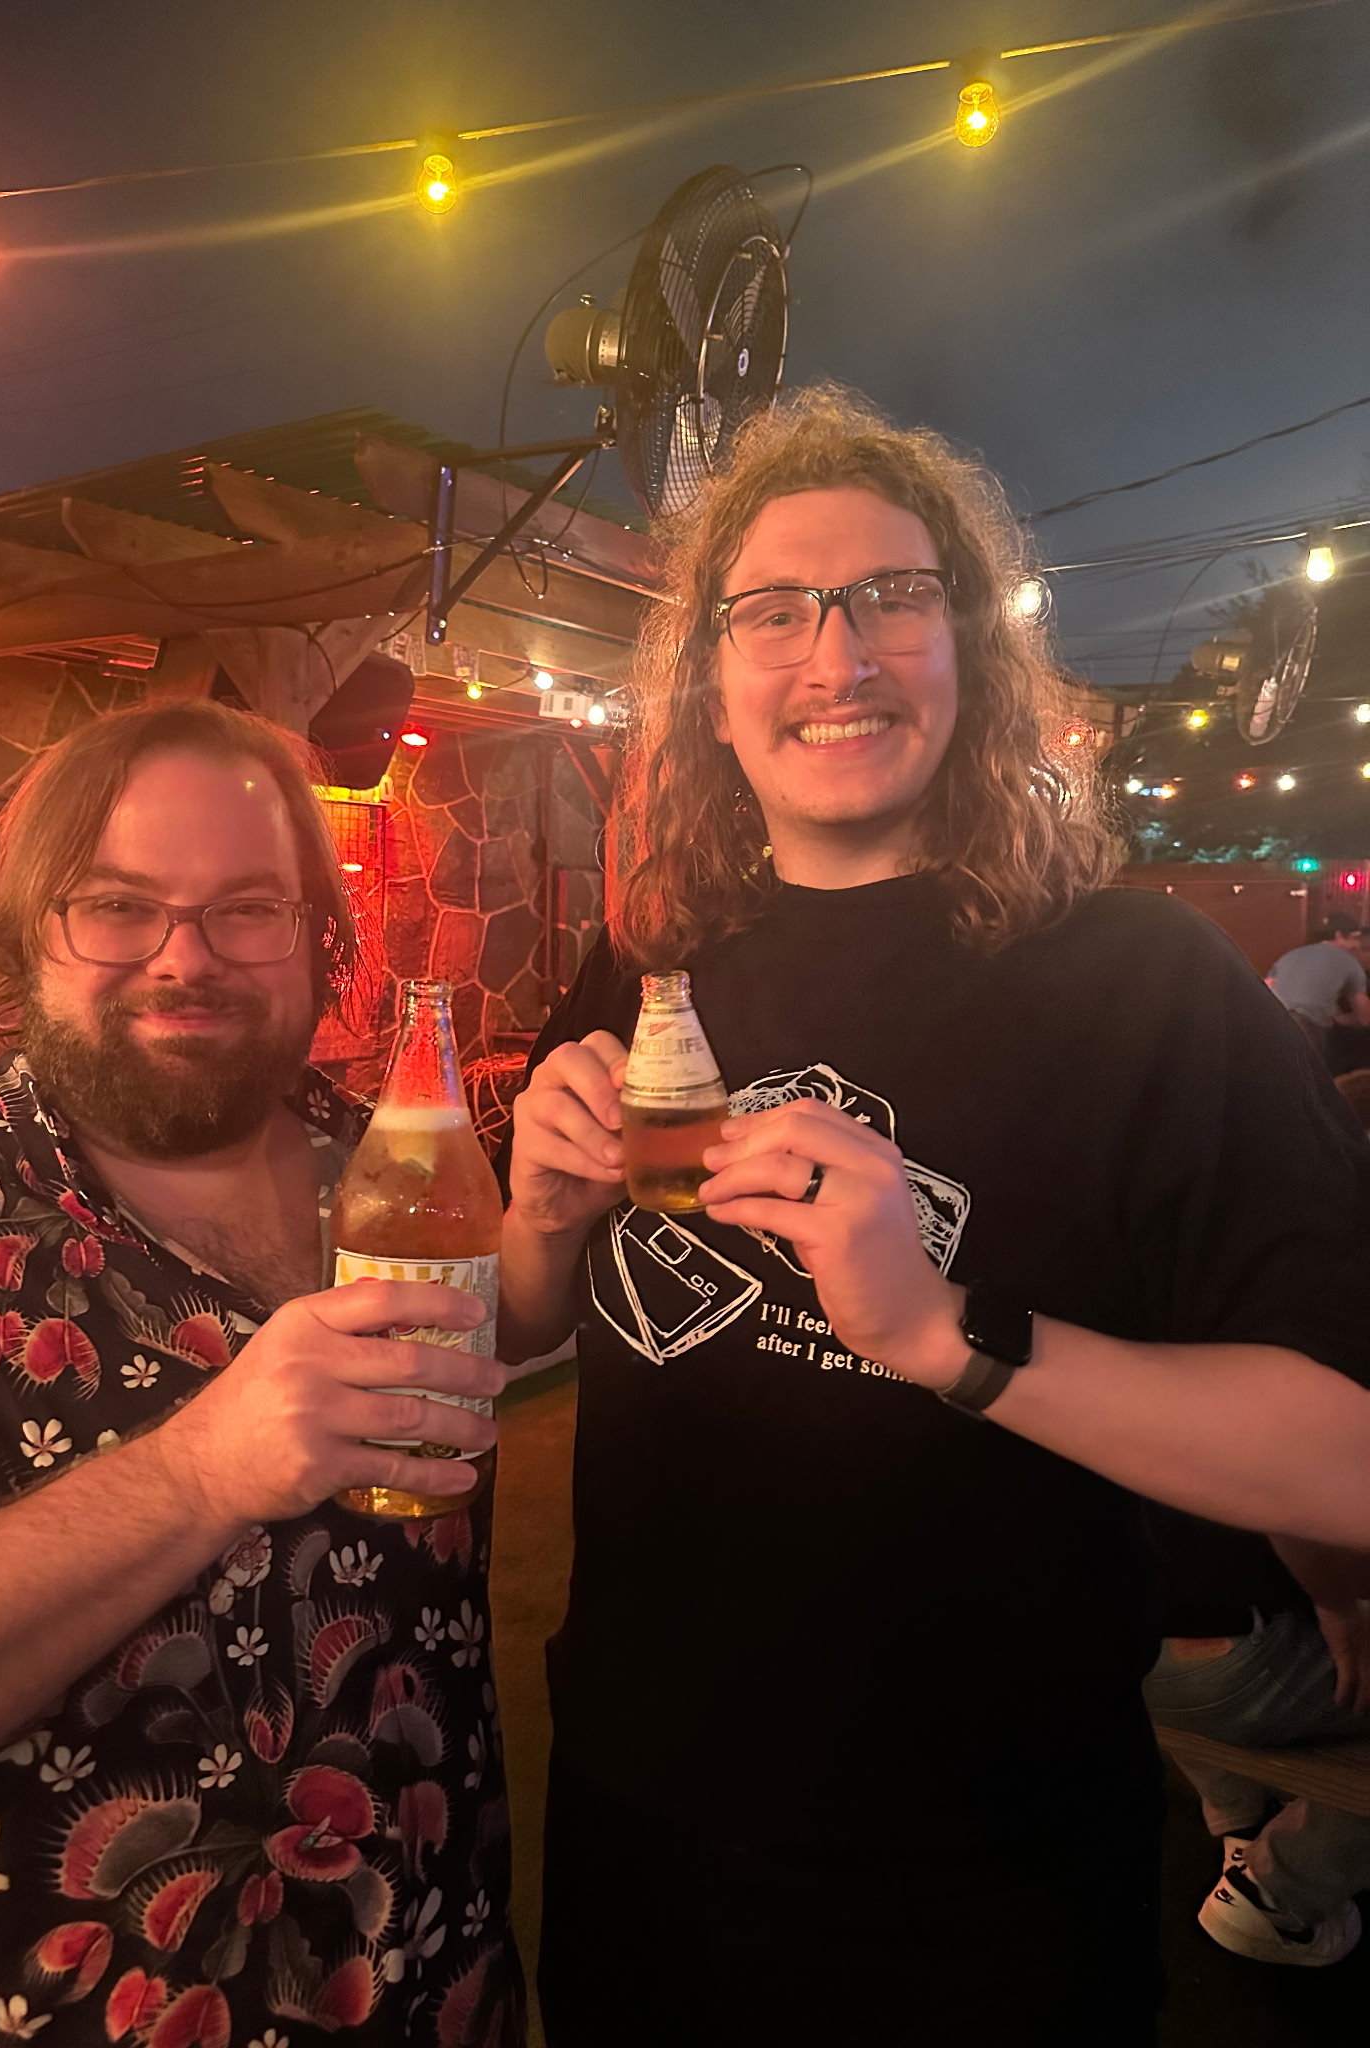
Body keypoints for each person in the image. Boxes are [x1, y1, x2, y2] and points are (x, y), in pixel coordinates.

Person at [495, 388, 1370, 2047]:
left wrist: (943, 1335)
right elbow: (533, 1321)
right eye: (774, 611)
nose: (836, 657)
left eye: (895, 597)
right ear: (712, 687)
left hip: (978, 1886)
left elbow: (1346, 1461)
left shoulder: (1141, 984)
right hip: (634, 1836)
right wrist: (536, 1221)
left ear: (971, 654)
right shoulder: (652, 958)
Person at [0, 701, 523, 2048]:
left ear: (318, 940)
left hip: (427, 1991)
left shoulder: (389, 1172)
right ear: (29, 934)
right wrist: (201, 1471)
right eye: (118, 907)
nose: (185, 959)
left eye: (248, 908)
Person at [1142, 1506, 1370, 1966]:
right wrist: (1343, 1603)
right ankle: (1277, 1896)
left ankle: (1241, 1819)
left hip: (1115, 1638)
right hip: (1225, 1653)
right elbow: (1292, 1492)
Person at [1266, 912, 1370, 1059]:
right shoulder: (1350, 963)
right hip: (1306, 1026)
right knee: (1310, 1074)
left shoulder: (1292, 954)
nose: (1358, 945)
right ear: (1339, 935)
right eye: (1355, 939)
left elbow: (1267, 985)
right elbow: (1364, 1016)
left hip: (1271, 1021)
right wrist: (1355, 1020)